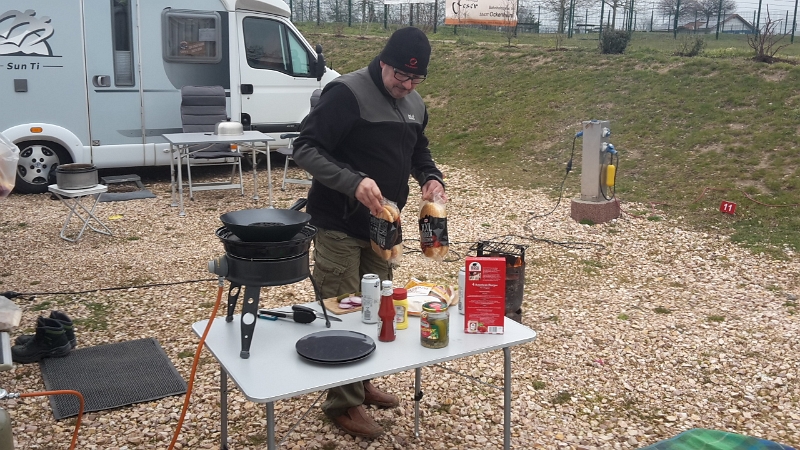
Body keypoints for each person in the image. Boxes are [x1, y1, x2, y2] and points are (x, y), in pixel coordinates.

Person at [292, 27, 446, 439]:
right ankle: (343, 405)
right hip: (340, 223)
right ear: (384, 62)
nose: (407, 85)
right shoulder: (346, 93)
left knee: (378, 309)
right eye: (401, 75)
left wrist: (431, 177)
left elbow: (419, 151)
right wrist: (352, 181)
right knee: (342, 311)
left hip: (385, 228)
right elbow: (304, 147)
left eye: (416, 79)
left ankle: (362, 381)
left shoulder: (413, 102)